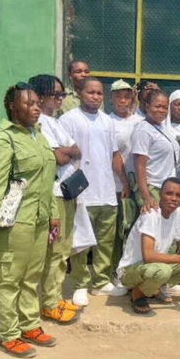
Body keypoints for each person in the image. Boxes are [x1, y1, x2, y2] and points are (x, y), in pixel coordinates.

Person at [0, 83, 60, 358]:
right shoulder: (4, 140)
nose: (36, 108)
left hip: (39, 219)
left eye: (37, 103)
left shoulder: (38, 135)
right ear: (13, 107)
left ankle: (29, 325)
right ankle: (9, 335)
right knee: (9, 278)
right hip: (14, 222)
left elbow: (46, 181)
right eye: (29, 103)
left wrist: (53, 213)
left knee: (31, 276)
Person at [59, 77, 131, 306]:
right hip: (81, 191)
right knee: (80, 242)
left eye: (99, 93)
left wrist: (124, 181)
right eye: (91, 92)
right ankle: (80, 284)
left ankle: (100, 281)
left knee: (105, 241)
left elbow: (114, 154)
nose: (95, 97)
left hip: (106, 190)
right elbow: (61, 153)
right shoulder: (68, 119)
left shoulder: (107, 121)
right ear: (80, 93)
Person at [27, 74, 81, 326]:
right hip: (55, 194)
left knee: (64, 248)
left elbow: (76, 150)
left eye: (62, 94)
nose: (60, 98)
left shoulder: (56, 122)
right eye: (55, 94)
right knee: (56, 250)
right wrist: (65, 152)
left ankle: (55, 297)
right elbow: (57, 158)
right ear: (40, 96)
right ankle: (49, 303)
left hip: (68, 191)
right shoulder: (39, 124)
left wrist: (65, 151)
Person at [118, 178, 180, 315]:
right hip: (131, 270)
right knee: (163, 271)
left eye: (178, 195)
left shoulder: (178, 213)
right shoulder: (151, 214)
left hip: (154, 266)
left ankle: (154, 287)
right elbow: (148, 256)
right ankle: (138, 292)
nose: (173, 198)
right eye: (169, 193)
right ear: (160, 194)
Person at [108, 79, 140, 272]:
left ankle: (132, 270)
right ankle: (115, 270)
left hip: (138, 186)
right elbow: (114, 155)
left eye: (127, 97)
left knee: (135, 229)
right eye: (118, 97)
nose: (122, 101)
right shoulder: (108, 122)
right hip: (117, 186)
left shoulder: (139, 122)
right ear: (111, 99)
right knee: (118, 230)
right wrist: (125, 182)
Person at [131, 89, 179, 212]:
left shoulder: (162, 127)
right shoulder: (143, 130)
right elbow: (139, 166)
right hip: (153, 188)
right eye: (158, 106)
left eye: (165, 107)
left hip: (166, 188)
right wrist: (146, 196)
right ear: (147, 106)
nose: (162, 110)